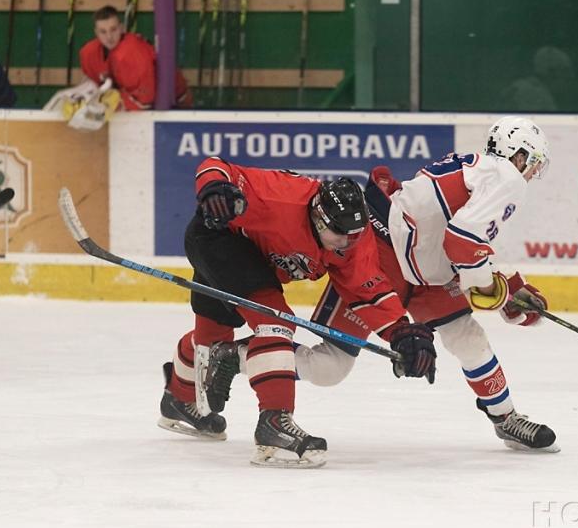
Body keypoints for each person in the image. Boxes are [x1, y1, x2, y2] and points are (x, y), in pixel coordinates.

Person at [206, 116, 560, 453]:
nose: (530, 174)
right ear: (520, 153)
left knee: (467, 339)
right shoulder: (506, 177)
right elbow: (464, 242)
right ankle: (236, 356)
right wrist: (493, 293)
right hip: (378, 259)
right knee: (332, 367)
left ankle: (506, 416)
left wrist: (512, 287)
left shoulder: (480, 171)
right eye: (533, 164)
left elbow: (468, 241)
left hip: (422, 269)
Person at [157, 161, 437, 468]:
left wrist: (400, 330)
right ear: (318, 217)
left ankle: (179, 400)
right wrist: (214, 190)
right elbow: (215, 166)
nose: (346, 244)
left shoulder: (352, 238)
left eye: (353, 236)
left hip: (255, 260)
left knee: (212, 337)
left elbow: (365, 287)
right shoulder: (281, 196)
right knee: (275, 322)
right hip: (218, 237)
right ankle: (274, 424)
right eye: (339, 234)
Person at [78, 5, 191, 110]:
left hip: (174, 102)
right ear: (96, 33)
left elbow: (145, 101)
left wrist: (110, 103)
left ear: (122, 28)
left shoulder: (133, 52)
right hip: (139, 104)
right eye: (103, 32)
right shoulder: (89, 52)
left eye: (113, 30)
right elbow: (92, 83)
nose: (109, 37)